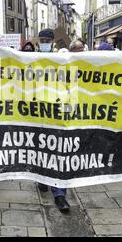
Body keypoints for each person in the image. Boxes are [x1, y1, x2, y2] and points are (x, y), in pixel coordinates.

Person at [36, 28, 70, 212]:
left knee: (58, 151)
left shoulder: (63, 60)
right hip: (35, 112)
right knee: (39, 148)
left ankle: (59, 193)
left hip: (57, 111)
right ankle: (41, 178)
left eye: (47, 40)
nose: (44, 43)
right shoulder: (29, 59)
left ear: (53, 42)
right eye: (42, 40)